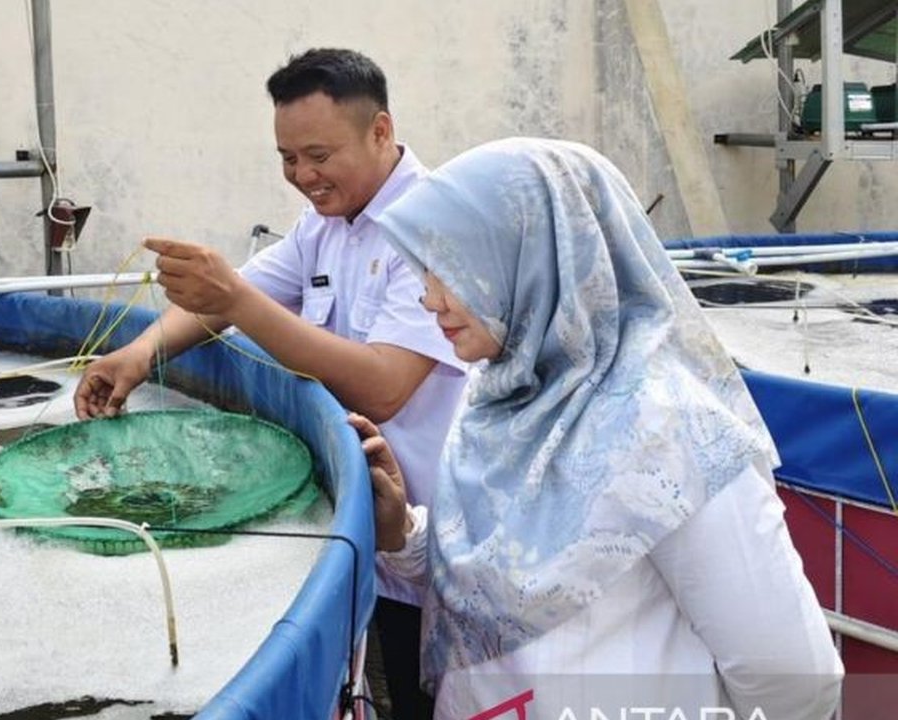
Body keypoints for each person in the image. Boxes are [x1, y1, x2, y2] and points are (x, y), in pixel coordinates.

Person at [349, 137, 844, 720]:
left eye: (450, 267)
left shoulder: (668, 429)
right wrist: (404, 532)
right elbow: (501, 574)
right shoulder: (497, 396)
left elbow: (792, 679)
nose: (429, 297)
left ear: (532, 257)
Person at [74, 48, 465, 718]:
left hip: (432, 542)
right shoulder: (325, 223)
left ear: (380, 131)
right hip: (366, 530)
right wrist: (136, 355)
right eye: (287, 158)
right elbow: (237, 296)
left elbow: (384, 386)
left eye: (319, 155)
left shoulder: (433, 228)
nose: (303, 176)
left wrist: (233, 298)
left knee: (431, 694)